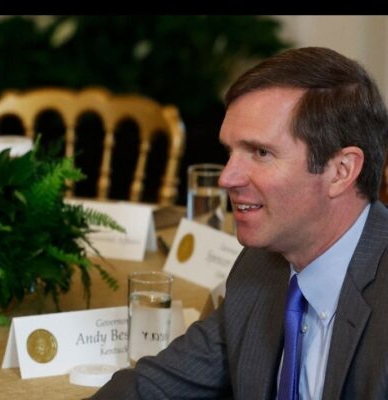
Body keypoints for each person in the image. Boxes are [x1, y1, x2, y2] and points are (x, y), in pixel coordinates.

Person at [92, 47, 388, 399]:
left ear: (340, 171)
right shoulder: (260, 267)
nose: (226, 177)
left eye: (261, 152)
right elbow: (154, 386)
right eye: (230, 153)